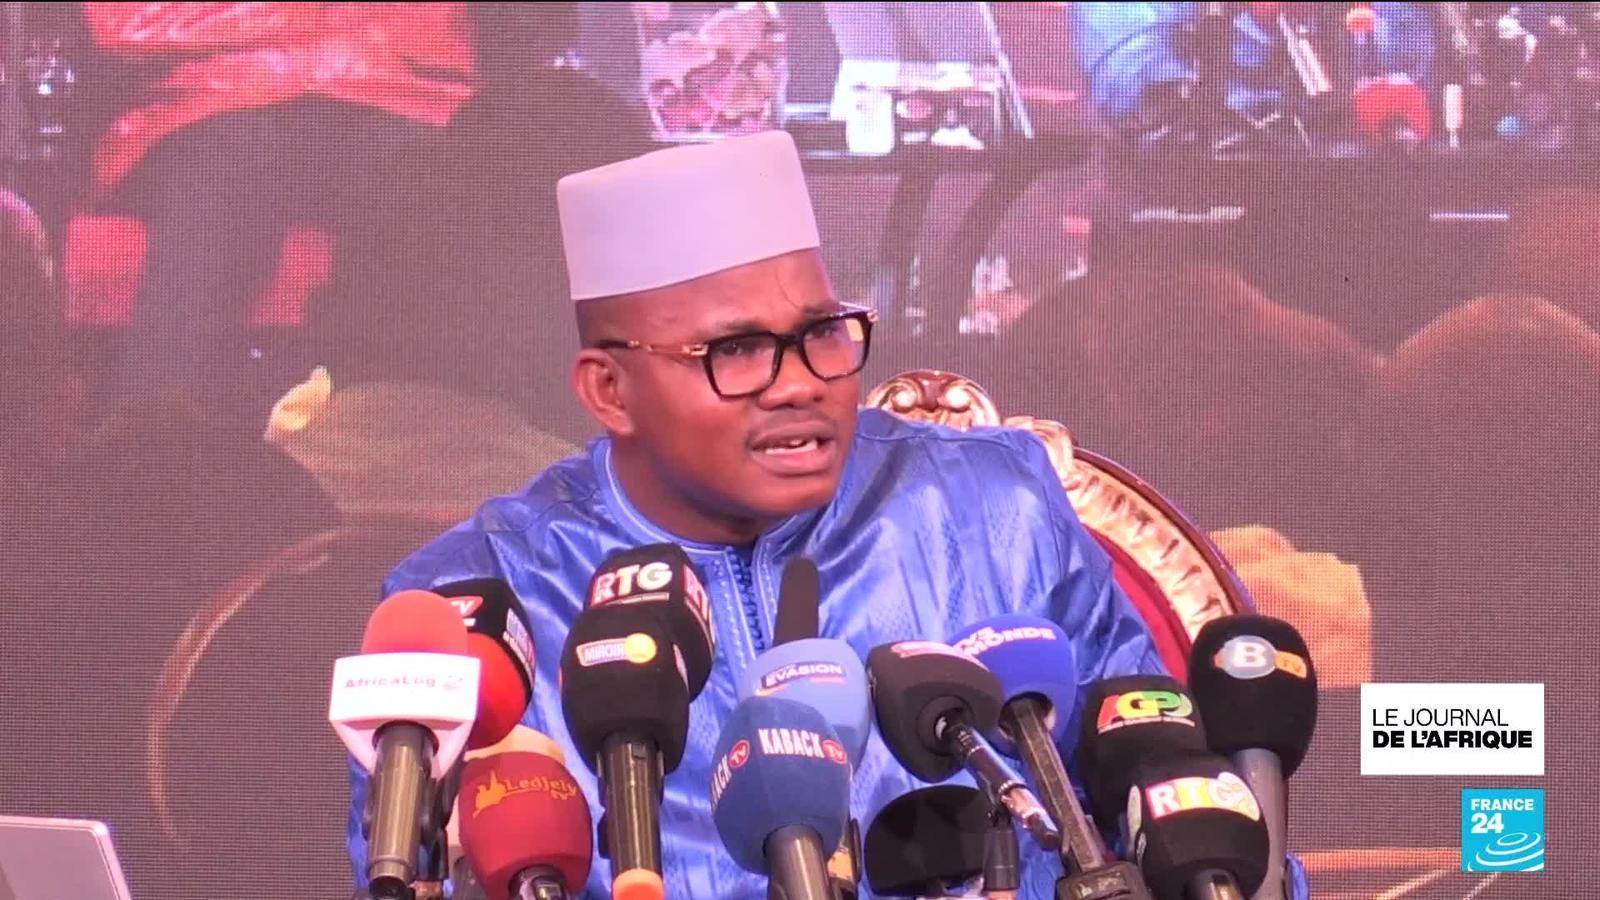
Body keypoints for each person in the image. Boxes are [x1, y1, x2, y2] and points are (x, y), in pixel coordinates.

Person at [345, 132, 1309, 897]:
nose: (800, 384)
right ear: (610, 390)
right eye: (735, 352)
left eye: (821, 334)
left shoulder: (994, 508)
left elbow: (1171, 787)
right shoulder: (484, 599)